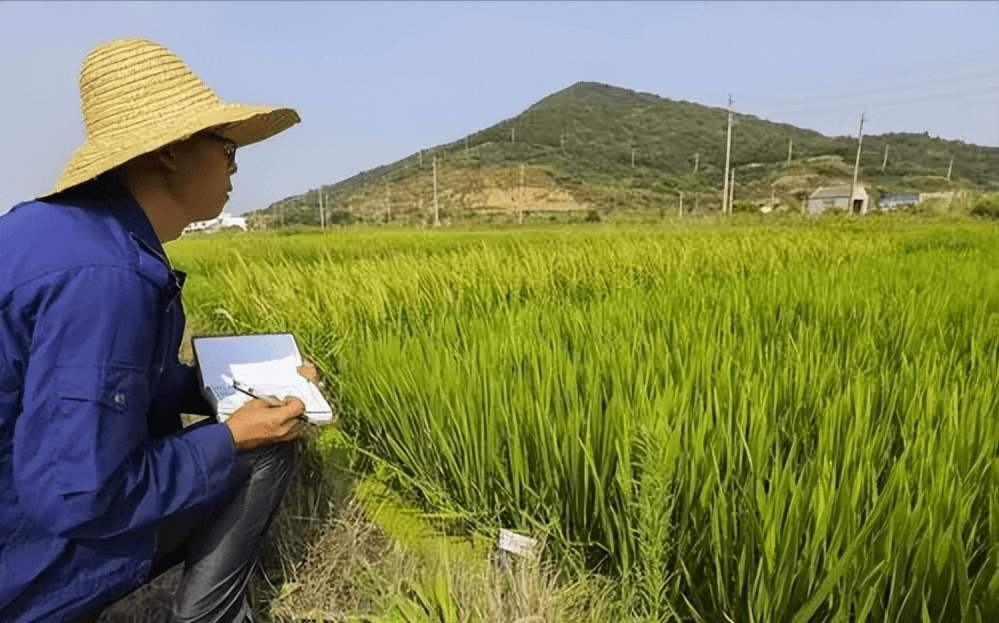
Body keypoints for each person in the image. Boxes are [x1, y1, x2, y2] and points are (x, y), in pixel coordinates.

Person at [0, 38, 308, 622]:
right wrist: (231, 438)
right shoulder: (106, 277)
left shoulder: (60, 233)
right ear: (170, 152)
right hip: (18, 563)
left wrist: (243, 388)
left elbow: (115, 382)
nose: (235, 167)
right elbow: (81, 496)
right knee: (262, 453)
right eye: (227, 147)